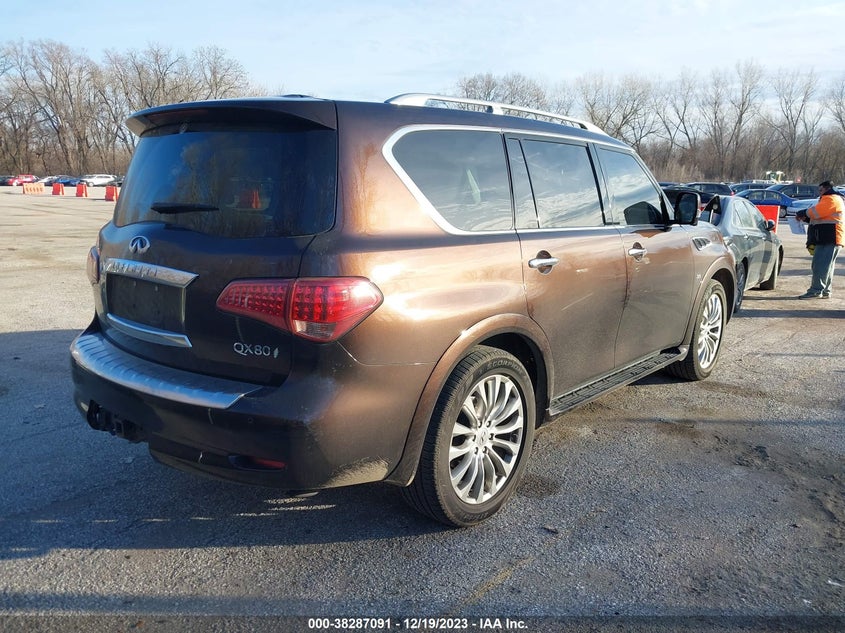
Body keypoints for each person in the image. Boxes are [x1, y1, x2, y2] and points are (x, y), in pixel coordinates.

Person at [795, 180, 845, 298]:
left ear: (827, 189)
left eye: (821, 190)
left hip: (830, 238)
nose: (820, 193)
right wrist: (806, 219)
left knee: (820, 266)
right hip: (830, 237)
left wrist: (804, 212)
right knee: (826, 266)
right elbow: (820, 217)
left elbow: (816, 212)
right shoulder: (832, 199)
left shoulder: (831, 199)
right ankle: (825, 290)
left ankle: (816, 291)